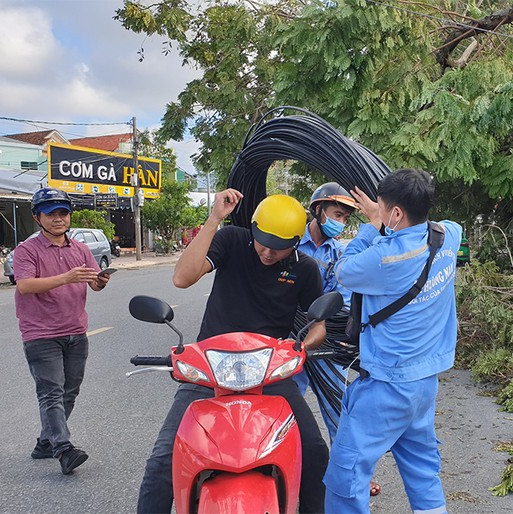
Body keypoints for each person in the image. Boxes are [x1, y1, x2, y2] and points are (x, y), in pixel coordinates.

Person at [136, 190, 330, 514]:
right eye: (262, 241)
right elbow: (182, 278)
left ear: (296, 242)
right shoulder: (231, 240)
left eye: (279, 247)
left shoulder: (305, 268)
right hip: (210, 368)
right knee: (164, 459)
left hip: (268, 370)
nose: (268, 252)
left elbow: (318, 324)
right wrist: (214, 219)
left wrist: (302, 346)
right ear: (253, 229)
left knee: (313, 450)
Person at [324, 168, 463, 513]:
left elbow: (343, 269)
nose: (380, 214)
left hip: (388, 386)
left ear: (396, 214)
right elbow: (433, 225)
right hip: (423, 385)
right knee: (422, 472)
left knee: (348, 475)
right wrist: (382, 217)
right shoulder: (449, 236)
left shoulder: (385, 258)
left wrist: (372, 226)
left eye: (384, 209)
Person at [13, 187, 111, 475]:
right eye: (51, 213)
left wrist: (101, 281)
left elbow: (94, 283)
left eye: (63, 213)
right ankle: (63, 449)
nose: (58, 219)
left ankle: (46, 441)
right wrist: (66, 277)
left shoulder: (81, 250)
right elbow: (25, 285)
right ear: (37, 217)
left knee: (70, 390)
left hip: (76, 330)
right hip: (40, 333)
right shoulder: (26, 250)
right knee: (51, 392)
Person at [294, 183, 382, 498]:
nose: (340, 222)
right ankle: (281, 467)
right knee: (285, 405)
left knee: (339, 408)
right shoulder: (290, 243)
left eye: (345, 218)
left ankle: (351, 475)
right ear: (317, 211)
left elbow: (339, 300)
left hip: (323, 341)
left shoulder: (337, 254)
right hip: (288, 342)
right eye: (337, 215)